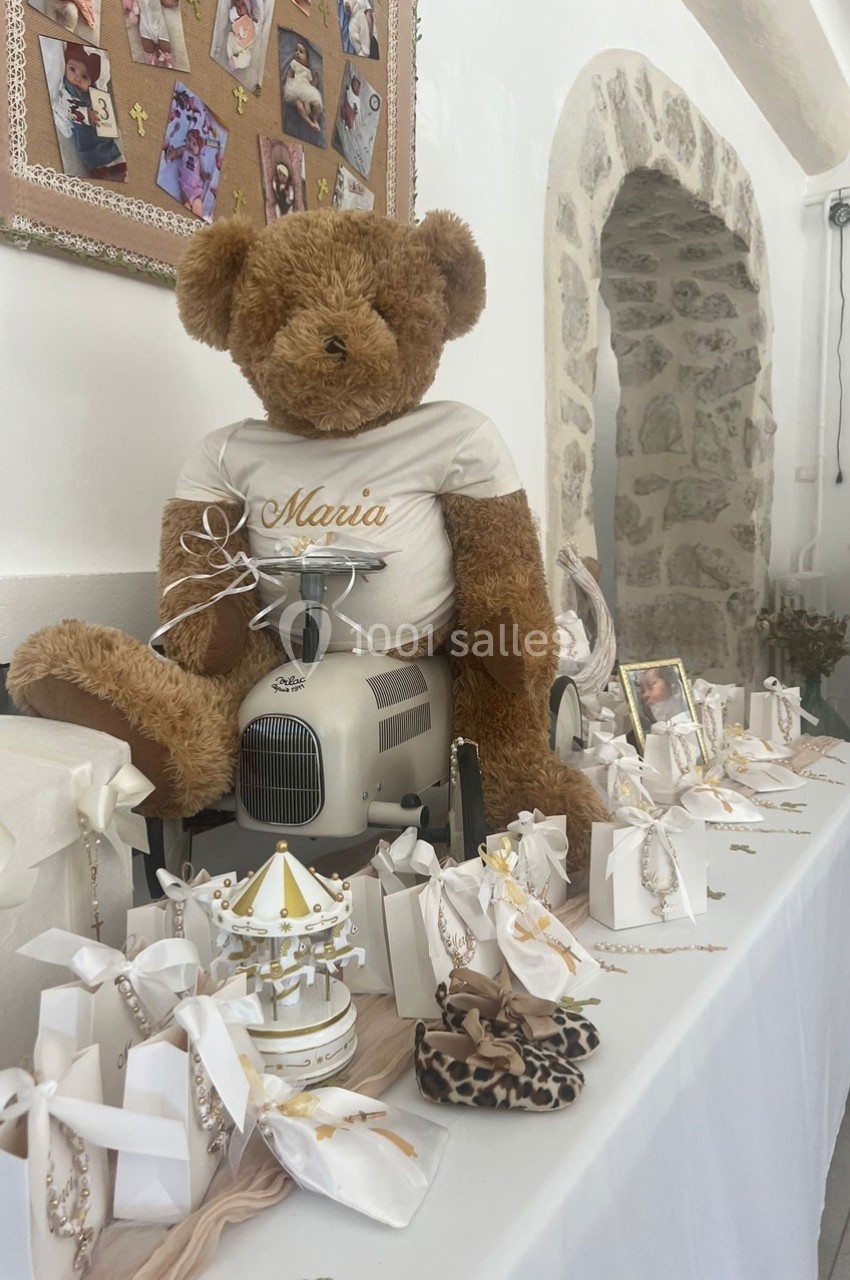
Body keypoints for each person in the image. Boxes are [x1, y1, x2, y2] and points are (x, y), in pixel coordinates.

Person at [58, 43, 127, 181]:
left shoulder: (91, 92)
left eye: (84, 77)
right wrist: (85, 114)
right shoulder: (68, 90)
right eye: (72, 69)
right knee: (90, 145)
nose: (77, 78)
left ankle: (116, 162)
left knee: (107, 140)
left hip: (98, 124)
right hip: (84, 127)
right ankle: (99, 167)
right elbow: (67, 109)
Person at [166, 128, 210, 217]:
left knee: (197, 204)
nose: (190, 145)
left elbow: (201, 171)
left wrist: (205, 175)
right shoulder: (184, 150)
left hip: (195, 189)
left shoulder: (198, 160)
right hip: (184, 186)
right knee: (185, 205)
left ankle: (197, 214)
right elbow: (177, 152)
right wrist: (172, 154)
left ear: (199, 149)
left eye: (194, 144)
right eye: (189, 140)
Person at [283, 40, 323, 134]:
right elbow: (290, 74)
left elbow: (312, 86)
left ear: (307, 61)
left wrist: (316, 78)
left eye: (301, 52)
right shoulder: (294, 63)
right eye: (296, 50)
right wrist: (289, 80)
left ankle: (315, 119)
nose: (297, 53)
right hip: (295, 88)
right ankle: (309, 123)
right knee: (298, 104)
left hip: (306, 90)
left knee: (317, 102)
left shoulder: (308, 72)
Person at [270, 153, 295, 217]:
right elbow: (274, 187)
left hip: (287, 206)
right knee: (277, 209)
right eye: (280, 175)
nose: (282, 177)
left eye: (284, 175)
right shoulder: (277, 185)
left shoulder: (289, 187)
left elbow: (291, 199)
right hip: (280, 205)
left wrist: (288, 197)